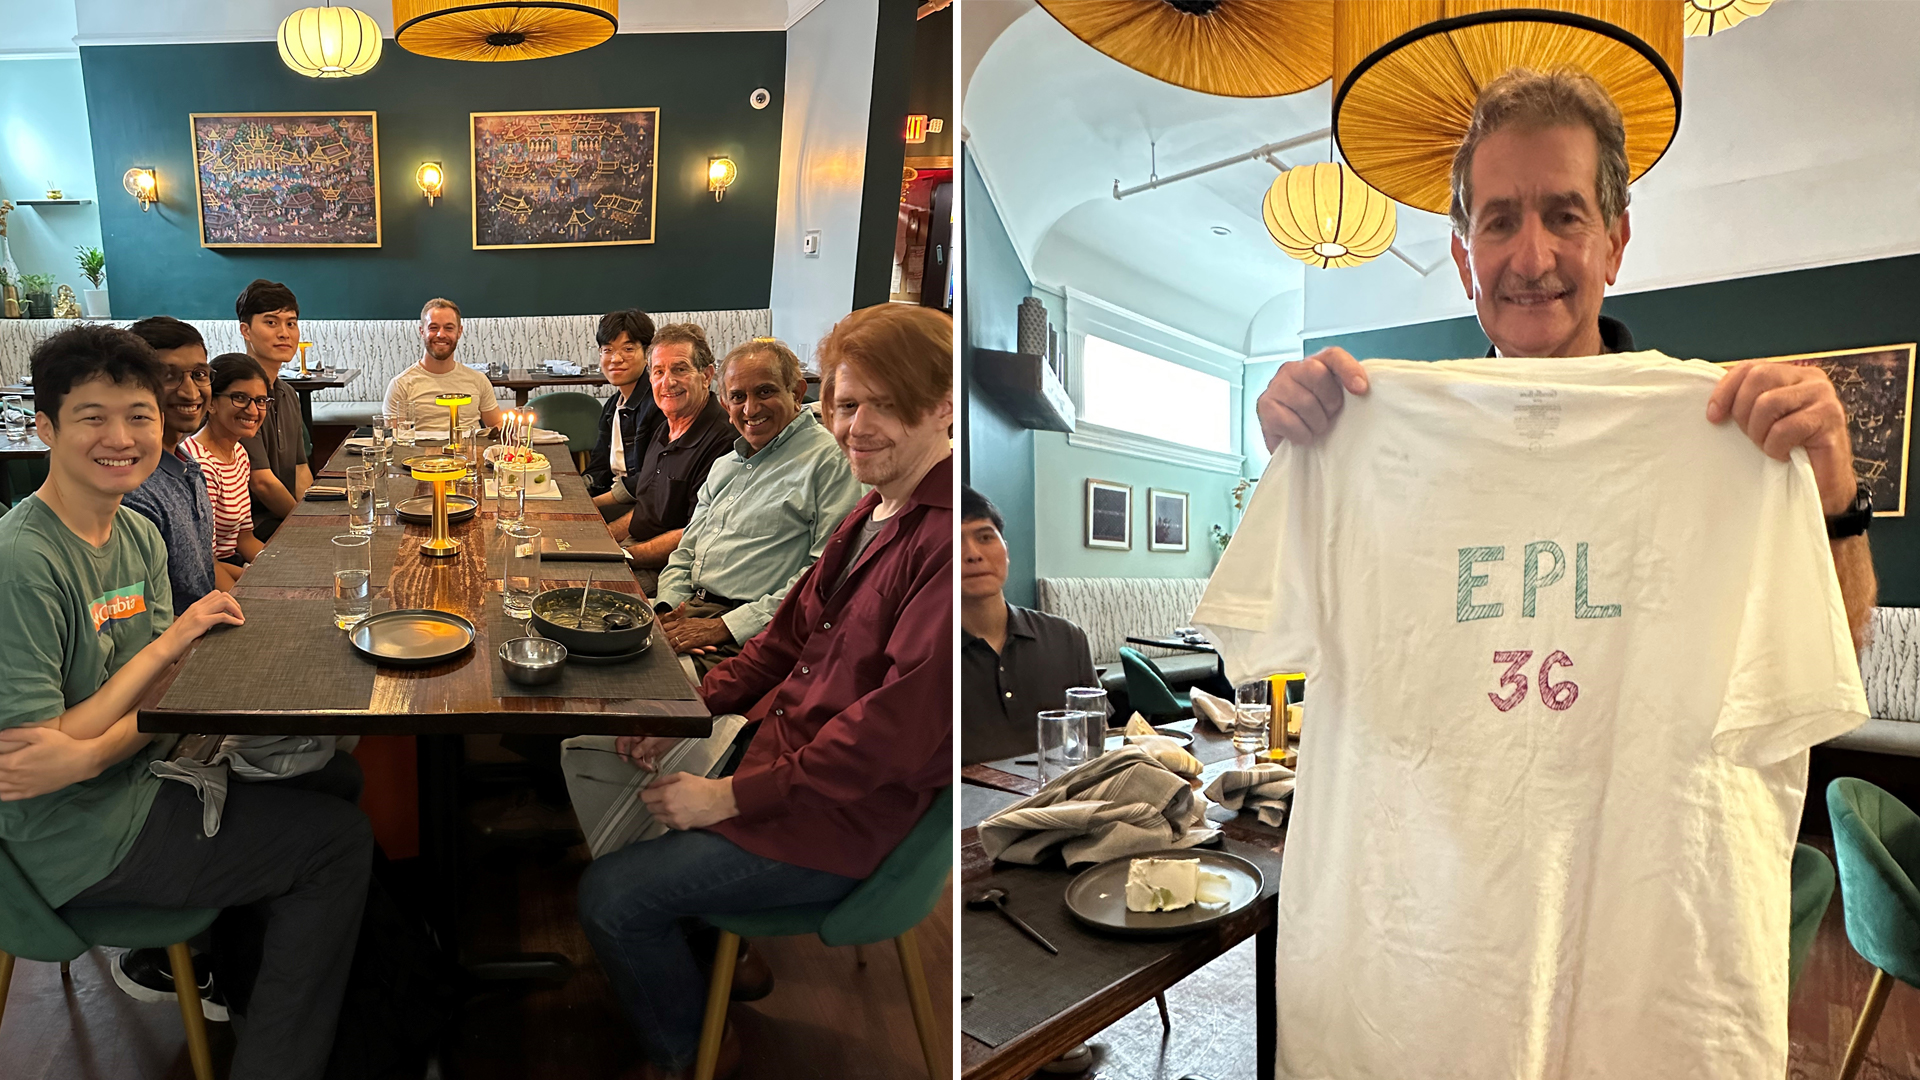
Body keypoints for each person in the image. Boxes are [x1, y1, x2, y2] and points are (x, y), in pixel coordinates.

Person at [1255, 68, 1876, 643]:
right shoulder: (1384, 450)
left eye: (1564, 216)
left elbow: (1829, 657)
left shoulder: (1717, 437)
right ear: (1463, 259)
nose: (1531, 259)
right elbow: (1277, 638)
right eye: (1499, 222)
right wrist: (1303, 468)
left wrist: (1834, 494)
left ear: (1614, 243)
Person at [575, 304, 953, 1080]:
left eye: (888, 403)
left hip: (844, 821)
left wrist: (730, 801)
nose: (858, 426)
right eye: (847, 404)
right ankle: (721, 964)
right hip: (788, 766)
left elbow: (888, 740)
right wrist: (689, 709)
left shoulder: (945, 542)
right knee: (615, 781)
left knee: (610, 896)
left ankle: (689, 1055)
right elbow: (783, 640)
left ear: (944, 406)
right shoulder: (872, 515)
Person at [0, 324, 372, 1080]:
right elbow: (38, 761)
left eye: (137, 416)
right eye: (92, 418)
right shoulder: (22, 562)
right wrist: (125, 713)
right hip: (77, 836)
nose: (122, 437)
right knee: (337, 844)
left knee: (336, 777)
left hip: (136, 773)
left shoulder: (133, 533)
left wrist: (109, 727)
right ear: (45, 428)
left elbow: (163, 690)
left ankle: (245, 980)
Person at [654, 338, 863, 675]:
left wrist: (726, 627)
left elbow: (825, 577)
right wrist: (668, 607)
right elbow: (687, 549)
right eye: (738, 397)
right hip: (689, 611)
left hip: (754, 634)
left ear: (795, 391)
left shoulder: (831, 462)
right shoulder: (726, 465)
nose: (750, 409)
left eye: (764, 392)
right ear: (724, 402)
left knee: (623, 692)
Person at [960, 485, 1099, 765]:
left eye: (985, 537)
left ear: (1006, 550)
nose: (973, 554)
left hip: (1062, 800)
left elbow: (1093, 743)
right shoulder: (922, 650)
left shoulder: (1066, 638)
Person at [593, 323, 735, 594]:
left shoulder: (722, 441)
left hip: (670, 572)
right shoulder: (666, 427)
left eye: (680, 369)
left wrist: (622, 556)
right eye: (658, 371)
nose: (667, 382)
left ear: (706, 375)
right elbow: (648, 509)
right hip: (637, 551)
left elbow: (693, 534)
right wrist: (604, 539)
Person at [120, 316, 217, 609]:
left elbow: (204, 574)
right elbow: (144, 619)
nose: (191, 392)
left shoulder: (188, 463)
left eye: (199, 374)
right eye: (169, 375)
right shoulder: (133, 489)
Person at [178, 355, 271, 589]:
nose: (252, 410)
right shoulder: (199, 466)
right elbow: (207, 563)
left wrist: (278, 568)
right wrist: (255, 587)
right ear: (211, 402)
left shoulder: (239, 453)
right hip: (208, 578)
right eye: (240, 398)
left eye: (260, 401)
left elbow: (244, 538)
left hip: (231, 565)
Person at [233, 279, 312, 541]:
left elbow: (301, 470)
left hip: (286, 518)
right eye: (271, 322)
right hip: (250, 530)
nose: (284, 333)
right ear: (246, 330)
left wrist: (315, 519)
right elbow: (261, 482)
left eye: (291, 323)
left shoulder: (288, 394)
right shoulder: (235, 397)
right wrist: (304, 525)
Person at [383, 297, 505, 431]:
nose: (441, 334)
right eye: (433, 328)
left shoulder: (479, 380)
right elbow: (393, 441)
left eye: (449, 328)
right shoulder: (400, 385)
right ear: (422, 332)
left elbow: (497, 425)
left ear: (459, 332)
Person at [583, 309, 661, 498]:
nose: (616, 359)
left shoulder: (658, 405)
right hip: (611, 494)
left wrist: (595, 504)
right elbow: (599, 468)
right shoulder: (612, 406)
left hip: (638, 502)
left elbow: (651, 480)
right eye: (608, 350)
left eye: (628, 349)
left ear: (647, 353)